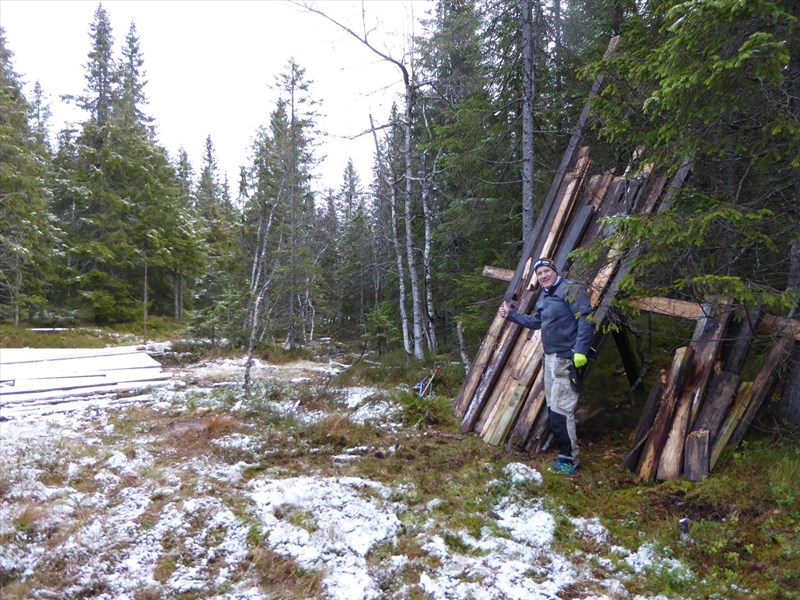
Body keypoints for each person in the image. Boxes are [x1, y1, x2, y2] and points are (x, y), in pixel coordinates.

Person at [499, 257, 595, 474]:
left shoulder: (571, 290)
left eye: (546, 271)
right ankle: (564, 456)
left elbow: (586, 319)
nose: (543, 275)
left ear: (554, 271)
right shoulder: (546, 297)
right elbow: (536, 322)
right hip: (550, 357)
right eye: (539, 273)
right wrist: (511, 316)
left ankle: (571, 459)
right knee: (554, 409)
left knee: (563, 409)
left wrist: (580, 350)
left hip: (567, 358)